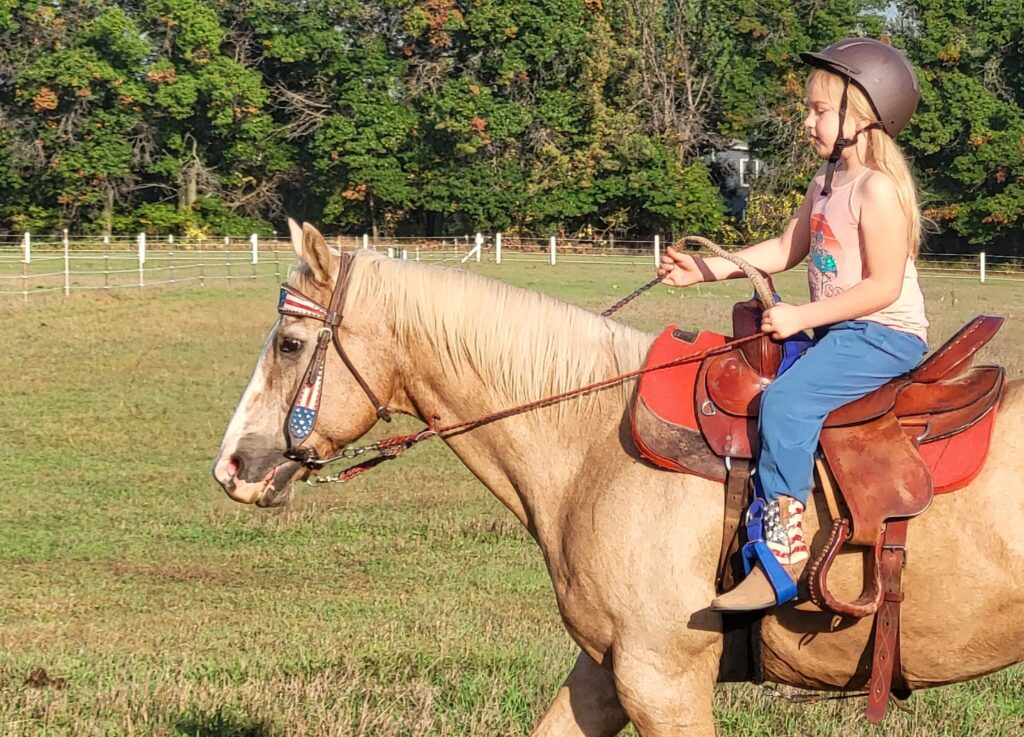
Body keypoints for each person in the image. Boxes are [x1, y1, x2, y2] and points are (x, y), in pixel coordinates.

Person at [657, 38, 930, 611]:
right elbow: (786, 248)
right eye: (808, 109)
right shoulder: (826, 184)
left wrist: (802, 316)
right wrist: (704, 270)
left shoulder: (878, 190)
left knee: (787, 403)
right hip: (841, 330)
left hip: (884, 335)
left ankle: (783, 557)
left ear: (862, 118)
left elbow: (882, 287)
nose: (807, 122)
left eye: (819, 111)